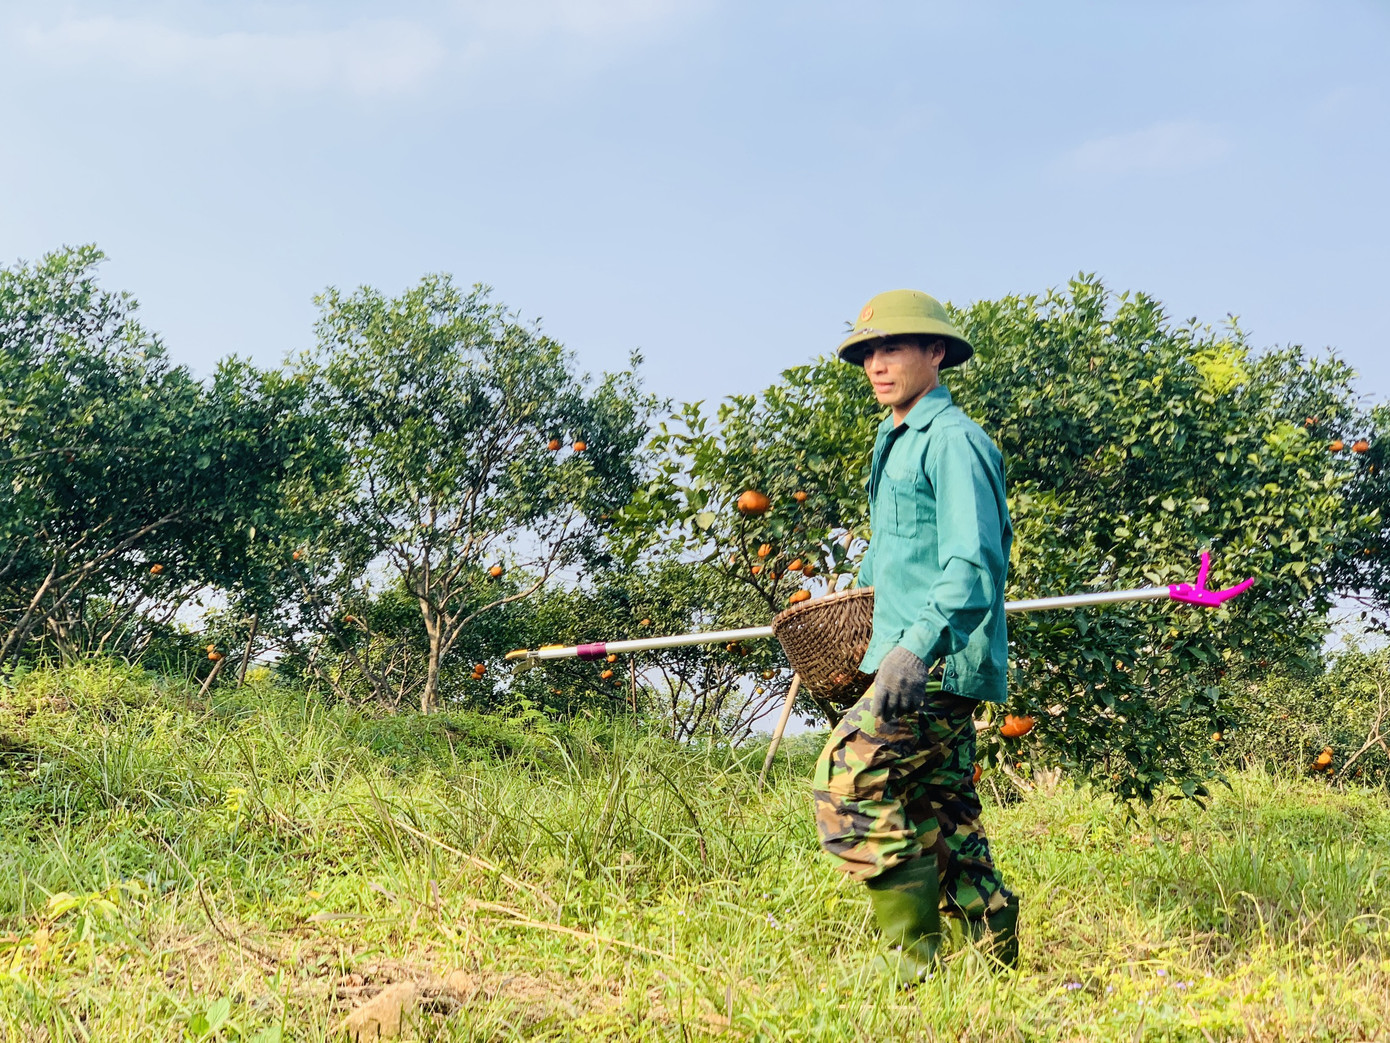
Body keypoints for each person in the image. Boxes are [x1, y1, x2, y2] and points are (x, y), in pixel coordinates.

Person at [812, 289, 1019, 983]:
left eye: (893, 348)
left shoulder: (953, 440)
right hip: (902, 654)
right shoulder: (894, 437)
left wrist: (915, 646)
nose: (877, 364)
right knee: (944, 816)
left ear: (936, 352)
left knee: (848, 787)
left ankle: (910, 964)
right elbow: (893, 553)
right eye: (868, 352)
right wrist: (852, 612)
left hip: (932, 661)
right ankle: (997, 968)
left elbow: (974, 561)